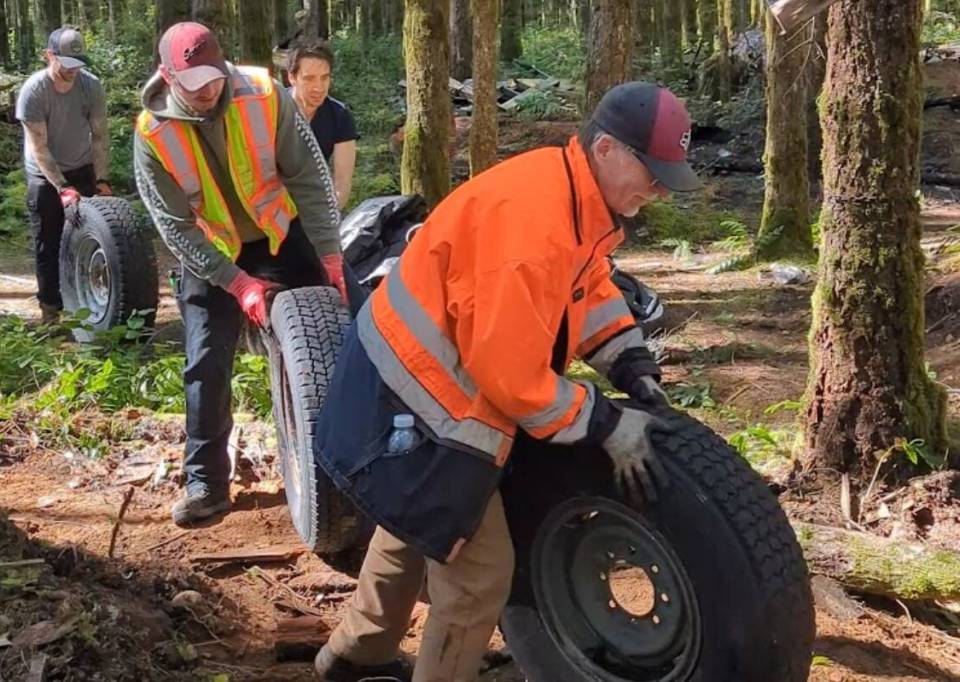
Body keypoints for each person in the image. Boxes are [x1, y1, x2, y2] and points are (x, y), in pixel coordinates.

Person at [313, 81, 702, 682]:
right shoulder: (531, 229)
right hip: (411, 396)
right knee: (478, 574)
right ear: (605, 150)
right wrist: (605, 421)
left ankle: (352, 656)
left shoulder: (573, 196)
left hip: (409, 375)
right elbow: (511, 379)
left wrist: (632, 367)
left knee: (413, 524)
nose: (656, 189)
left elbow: (588, 288)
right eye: (649, 172)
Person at [133, 22, 349, 526]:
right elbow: (174, 227)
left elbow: (308, 178)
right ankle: (206, 481)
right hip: (210, 250)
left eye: (213, 77)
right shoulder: (152, 133)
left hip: (278, 229)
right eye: (193, 83)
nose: (207, 90)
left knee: (336, 332)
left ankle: (346, 469)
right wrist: (237, 284)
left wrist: (331, 255)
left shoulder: (264, 94)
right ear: (168, 77)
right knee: (206, 362)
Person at [17, 26, 110, 324]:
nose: (72, 72)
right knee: (49, 242)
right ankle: (51, 312)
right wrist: (62, 187)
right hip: (44, 175)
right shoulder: (34, 92)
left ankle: (89, 304)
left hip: (82, 167)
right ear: (49, 56)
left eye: (78, 65)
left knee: (92, 237)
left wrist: (102, 179)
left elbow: (99, 136)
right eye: (66, 65)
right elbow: (39, 147)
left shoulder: (91, 86)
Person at [286, 39, 359, 209]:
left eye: (324, 78)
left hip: (315, 201)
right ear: (292, 77)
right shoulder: (273, 110)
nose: (318, 87)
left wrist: (328, 216)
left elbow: (342, 181)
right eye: (309, 79)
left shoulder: (339, 115)